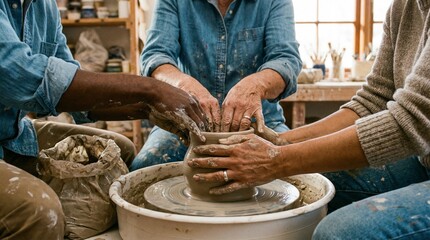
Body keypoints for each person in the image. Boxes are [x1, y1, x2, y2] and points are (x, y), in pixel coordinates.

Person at [186, 0, 430, 239]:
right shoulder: (403, 6)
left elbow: (410, 123)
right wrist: (278, 143)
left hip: (419, 152)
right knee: (309, 181)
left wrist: (277, 161)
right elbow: (373, 102)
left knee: (337, 232)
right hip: (421, 162)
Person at [0, 1, 208, 239]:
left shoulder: (43, 6)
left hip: (12, 133)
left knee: (121, 151)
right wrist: (150, 89)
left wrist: (149, 109)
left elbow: (73, 92)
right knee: (39, 212)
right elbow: (23, 76)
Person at [130, 0, 302, 170]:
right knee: (144, 168)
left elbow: (286, 59)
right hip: (185, 123)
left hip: (260, 124)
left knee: (304, 179)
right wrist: (183, 84)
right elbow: (156, 56)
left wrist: (255, 85)